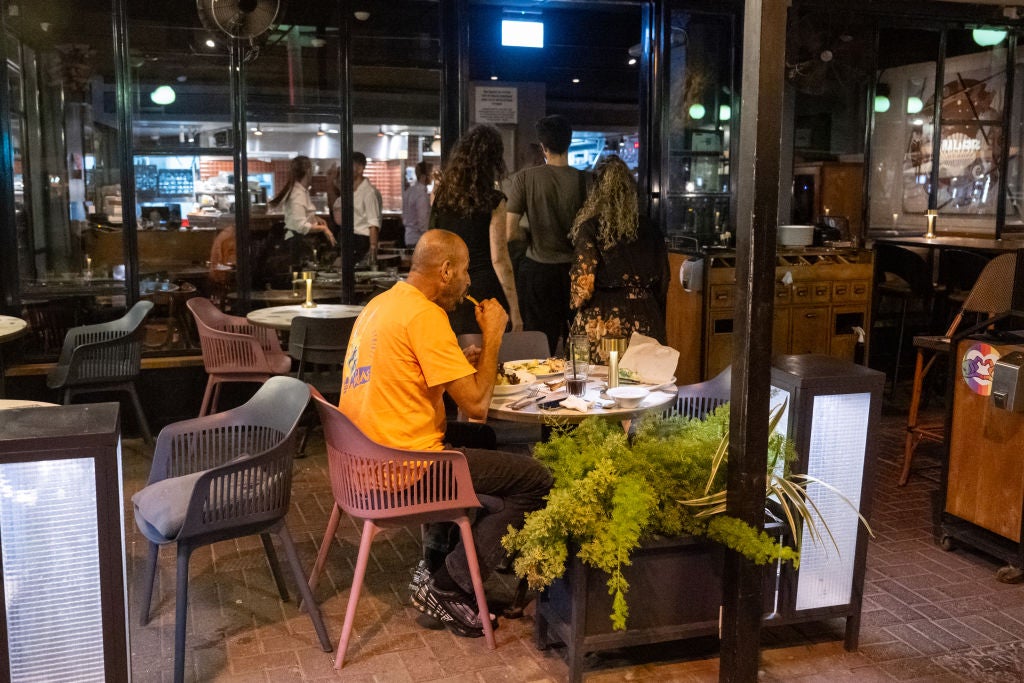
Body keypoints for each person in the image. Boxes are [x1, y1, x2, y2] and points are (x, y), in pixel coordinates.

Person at [337, 229, 552, 638]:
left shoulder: (382, 305)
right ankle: (449, 585)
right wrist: (492, 338)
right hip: (403, 470)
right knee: (535, 480)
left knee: (484, 444)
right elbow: (477, 407)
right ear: (447, 270)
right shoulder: (426, 315)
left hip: (361, 461)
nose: (470, 281)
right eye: (467, 270)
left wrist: (455, 361)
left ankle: (436, 563)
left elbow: (407, 376)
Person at [569, 155, 669, 363]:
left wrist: (574, 305)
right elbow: (663, 281)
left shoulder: (590, 228)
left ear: (596, 193)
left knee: (598, 387)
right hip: (647, 318)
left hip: (604, 322)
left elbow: (582, 289)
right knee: (645, 387)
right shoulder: (651, 228)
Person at [505, 114, 588, 354]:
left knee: (541, 348)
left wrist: (530, 238)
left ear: (543, 147)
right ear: (569, 143)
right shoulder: (586, 180)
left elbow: (510, 232)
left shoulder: (525, 178)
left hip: (538, 273)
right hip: (577, 274)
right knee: (579, 346)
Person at [430, 125, 521, 334]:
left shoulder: (441, 196)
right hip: (484, 290)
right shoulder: (494, 200)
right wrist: (515, 310)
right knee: (489, 357)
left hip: (449, 285)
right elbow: (499, 259)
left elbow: (433, 241)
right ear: (494, 161)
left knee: (455, 355)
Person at [267, 155, 336, 267]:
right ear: (308, 171)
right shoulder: (297, 194)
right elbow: (300, 226)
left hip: (299, 243)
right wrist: (323, 229)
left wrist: (315, 218)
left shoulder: (301, 191)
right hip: (296, 244)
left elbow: (302, 216)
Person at [334, 151, 382, 266]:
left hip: (361, 241)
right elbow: (339, 218)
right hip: (348, 239)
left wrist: (372, 250)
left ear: (360, 169)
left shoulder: (368, 192)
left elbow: (373, 224)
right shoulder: (349, 191)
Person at [402, 160, 432, 248]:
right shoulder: (421, 195)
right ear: (424, 176)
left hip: (408, 237)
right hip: (419, 240)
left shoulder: (409, 191)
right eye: (430, 175)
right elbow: (423, 222)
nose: (432, 178)